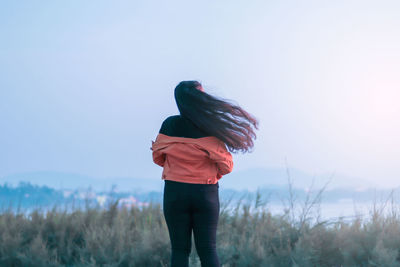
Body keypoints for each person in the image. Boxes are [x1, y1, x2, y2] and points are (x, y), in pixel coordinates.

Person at [151, 81, 258, 267]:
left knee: (179, 250)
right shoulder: (210, 127)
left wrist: (178, 165)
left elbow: (158, 157)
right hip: (205, 193)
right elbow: (226, 166)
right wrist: (209, 171)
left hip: (175, 192)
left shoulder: (169, 124)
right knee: (208, 250)